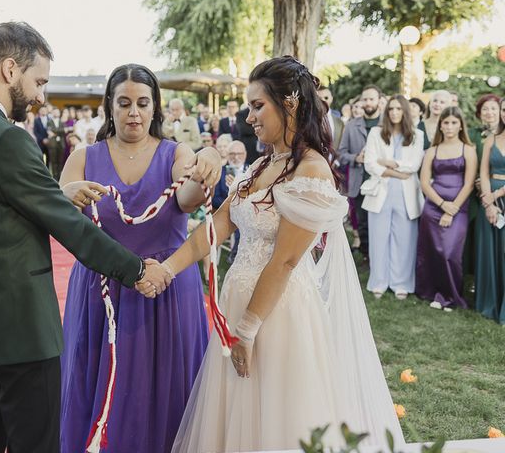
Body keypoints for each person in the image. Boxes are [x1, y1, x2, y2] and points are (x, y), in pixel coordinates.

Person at [0, 22, 170, 453]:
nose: (41, 96)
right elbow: (70, 228)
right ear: (10, 70)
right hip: (24, 330)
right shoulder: (7, 140)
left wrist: (57, 194)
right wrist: (136, 268)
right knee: (36, 443)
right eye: (39, 82)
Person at [165, 56, 404, 452]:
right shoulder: (261, 165)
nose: (250, 116)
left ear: (289, 104)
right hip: (238, 301)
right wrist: (168, 268)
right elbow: (220, 224)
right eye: (249, 107)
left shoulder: (311, 170)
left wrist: (247, 329)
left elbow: (286, 260)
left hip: (277, 314)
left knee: (278, 417)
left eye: (258, 105)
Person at [58, 63, 221, 453]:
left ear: (155, 108)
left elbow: (187, 198)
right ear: (109, 107)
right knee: (97, 386)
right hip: (102, 291)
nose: (134, 112)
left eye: (143, 103)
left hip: (164, 286)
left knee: (166, 386)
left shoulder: (175, 152)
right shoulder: (84, 157)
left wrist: (208, 161)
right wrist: (65, 195)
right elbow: (54, 215)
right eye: (124, 103)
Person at [362, 95, 424, 299]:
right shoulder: (376, 133)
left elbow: (413, 165)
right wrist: (397, 170)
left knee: (404, 240)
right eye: (391, 109)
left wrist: (386, 162)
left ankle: (401, 283)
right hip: (381, 193)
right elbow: (370, 163)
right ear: (387, 112)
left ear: (405, 111)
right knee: (378, 239)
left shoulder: (417, 135)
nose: (395, 112)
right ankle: (378, 281)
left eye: (399, 109)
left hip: (406, 196)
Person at [416, 106, 476, 310]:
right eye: (446, 122)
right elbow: (424, 182)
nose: (449, 126)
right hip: (433, 206)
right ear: (440, 125)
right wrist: (441, 205)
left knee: (450, 253)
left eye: (453, 122)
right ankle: (433, 292)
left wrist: (452, 209)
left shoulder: (468, 150)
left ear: (460, 126)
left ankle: (451, 296)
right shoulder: (432, 150)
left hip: (458, 207)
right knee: (432, 251)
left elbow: (468, 184)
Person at [337, 85, 383, 260]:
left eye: (372, 99)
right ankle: (366, 256)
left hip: (381, 182)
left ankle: (380, 258)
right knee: (363, 223)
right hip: (359, 182)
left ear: (379, 100)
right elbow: (341, 153)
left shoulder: (386, 123)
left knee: (380, 223)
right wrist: (356, 158)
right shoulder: (351, 125)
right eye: (365, 99)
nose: (368, 102)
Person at [474, 97, 505, 325]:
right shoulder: (491, 139)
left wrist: (496, 195)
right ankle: (490, 304)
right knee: (490, 251)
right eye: (504, 109)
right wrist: (488, 203)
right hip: (490, 201)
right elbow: (484, 172)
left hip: (499, 195)